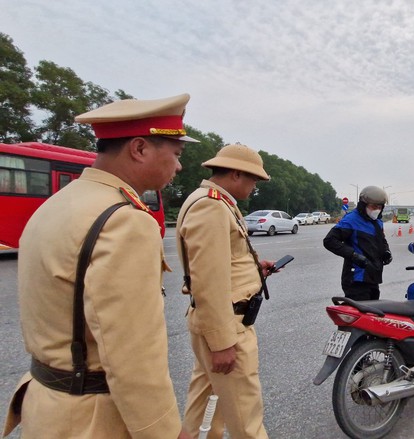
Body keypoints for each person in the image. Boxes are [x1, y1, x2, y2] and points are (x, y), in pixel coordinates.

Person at [4, 94, 197, 439]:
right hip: (94, 419)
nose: (179, 166)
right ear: (139, 149)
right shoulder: (125, 222)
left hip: (47, 406)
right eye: (176, 154)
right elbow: (132, 353)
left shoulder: (57, 204)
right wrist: (165, 431)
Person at [175, 144, 275, 439]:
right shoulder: (211, 205)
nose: (255, 187)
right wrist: (222, 343)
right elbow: (207, 278)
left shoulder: (213, 201)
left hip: (216, 319)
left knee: (201, 405)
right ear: (235, 174)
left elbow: (224, 261)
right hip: (226, 324)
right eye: (253, 179)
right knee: (246, 417)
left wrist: (258, 269)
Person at [323, 186, 392, 301]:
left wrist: (386, 251)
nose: (377, 209)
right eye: (374, 206)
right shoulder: (351, 220)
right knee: (362, 316)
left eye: (379, 207)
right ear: (363, 204)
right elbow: (329, 241)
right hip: (356, 279)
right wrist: (353, 255)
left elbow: (381, 240)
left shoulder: (377, 221)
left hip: (373, 278)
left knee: (373, 315)